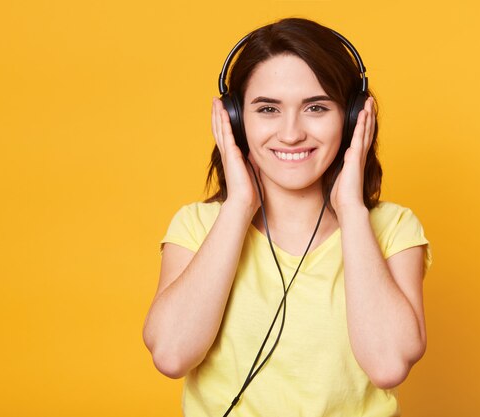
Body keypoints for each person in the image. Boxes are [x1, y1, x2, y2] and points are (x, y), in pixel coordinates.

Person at [143, 17, 432, 417]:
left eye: (315, 107)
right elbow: (171, 356)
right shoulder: (197, 226)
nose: (291, 133)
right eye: (268, 109)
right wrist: (239, 206)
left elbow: (388, 365)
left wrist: (351, 209)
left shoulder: (393, 229)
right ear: (234, 119)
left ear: (351, 119)